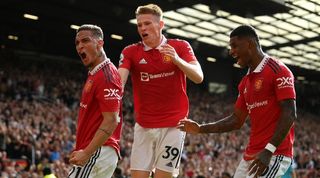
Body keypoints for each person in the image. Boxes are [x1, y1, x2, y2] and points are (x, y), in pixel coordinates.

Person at [178, 25, 297, 178]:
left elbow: (290, 113)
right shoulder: (245, 82)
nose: (231, 51)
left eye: (234, 46)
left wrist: (269, 150)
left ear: (249, 44)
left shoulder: (278, 70)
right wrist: (200, 128)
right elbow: (236, 120)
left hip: (274, 154)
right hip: (251, 156)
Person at [118, 4, 203, 178]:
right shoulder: (131, 51)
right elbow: (120, 81)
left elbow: (198, 77)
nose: (142, 28)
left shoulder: (179, 46)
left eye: (147, 23)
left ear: (161, 25)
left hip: (174, 126)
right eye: (139, 25)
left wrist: (177, 60)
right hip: (144, 125)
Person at [68, 24, 123, 178]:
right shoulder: (96, 73)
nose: (80, 46)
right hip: (97, 151)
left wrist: (86, 152)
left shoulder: (107, 76)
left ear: (100, 43)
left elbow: (112, 120)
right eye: (77, 43)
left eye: (85, 41)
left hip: (99, 151)